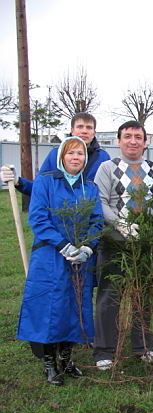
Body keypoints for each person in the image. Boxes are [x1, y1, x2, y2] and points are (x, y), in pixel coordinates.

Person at [16, 137, 103, 385]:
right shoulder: (46, 182)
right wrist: (62, 244)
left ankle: (67, 358)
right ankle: (49, 362)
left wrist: (87, 246)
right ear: (61, 157)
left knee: (75, 307)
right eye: (71, 153)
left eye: (81, 154)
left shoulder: (89, 187)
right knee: (50, 308)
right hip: (50, 256)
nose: (76, 158)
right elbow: (38, 217)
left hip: (80, 259)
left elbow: (97, 220)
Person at [93, 121, 153, 369]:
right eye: (127, 136)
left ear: (145, 141)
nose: (133, 141)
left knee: (146, 295)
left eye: (138, 137)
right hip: (115, 242)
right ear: (119, 141)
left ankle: (144, 346)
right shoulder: (107, 168)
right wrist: (121, 224)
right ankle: (104, 351)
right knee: (110, 296)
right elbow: (101, 202)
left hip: (148, 243)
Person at [1, 112, 110, 196]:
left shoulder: (103, 158)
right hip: (59, 218)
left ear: (94, 133)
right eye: (80, 127)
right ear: (72, 130)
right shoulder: (55, 155)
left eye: (89, 127)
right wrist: (18, 182)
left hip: (91, 219)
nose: (84, 131)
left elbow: (108, 193)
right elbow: (39, 188)